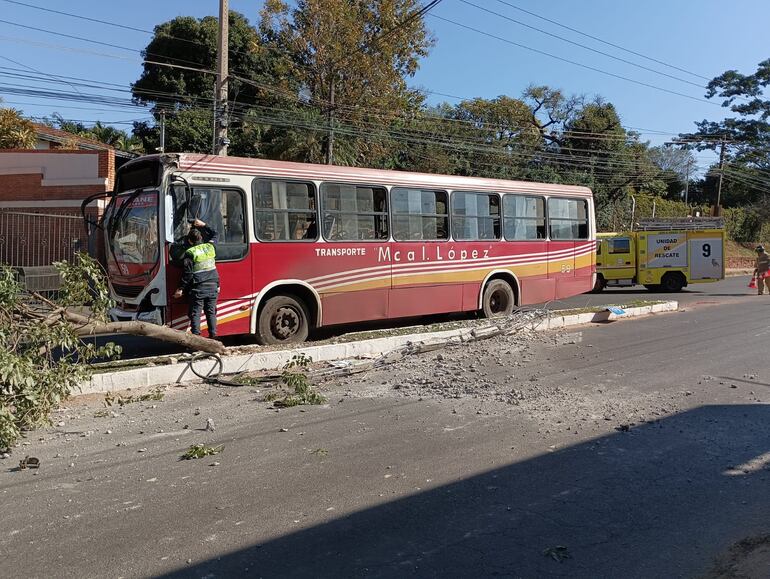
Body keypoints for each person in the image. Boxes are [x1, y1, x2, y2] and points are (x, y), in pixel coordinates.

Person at [173, 219, 220, 338]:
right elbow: (216, 234)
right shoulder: (210, 246)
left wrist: (180, 289)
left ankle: (197, 340)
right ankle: (213, 338)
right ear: (201, 239)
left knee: (196, 313)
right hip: (214, 286)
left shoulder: (190, 253)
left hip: (199, 287)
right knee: (211, 313)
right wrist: (204, 225)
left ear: (189, 240)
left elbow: (187, 274)